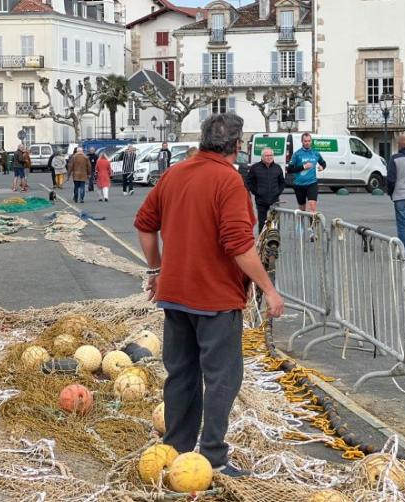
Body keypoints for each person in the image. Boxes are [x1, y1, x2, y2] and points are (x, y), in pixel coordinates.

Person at [135, 113, 285, 478]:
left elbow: (144, 225)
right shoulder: (229, 181)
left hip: (175, 294)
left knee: (181, 373)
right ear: (237, 145)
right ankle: (214, 455)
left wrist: (156, 271)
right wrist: (268, 288)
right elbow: (239, 245)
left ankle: (177, 447)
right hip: (215, 298)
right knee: (222, 377)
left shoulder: (175, 173)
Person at [245, 147, 285, 233]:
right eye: (267, 155)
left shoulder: (277, 168)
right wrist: (256, 192)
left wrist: (278, 192)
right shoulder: (255, 168)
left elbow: (282, 182)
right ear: (262, 156)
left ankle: (274, 244)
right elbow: (249, 182)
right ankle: (262, 243)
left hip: (274, 201)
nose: (269, 157)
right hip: (261, 201)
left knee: (275, 224)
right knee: (262, 224)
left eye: (271, 155)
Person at [286, 132, 326, 213]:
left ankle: (311, 226)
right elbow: (289, 170)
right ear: (302, 142)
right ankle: (302, 225)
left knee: (312, 207)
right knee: (302, 209)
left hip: (312, 183)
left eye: (309, 141)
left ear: (311, 141)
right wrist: (303, 167)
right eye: (305, 141)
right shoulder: (297, 154)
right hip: (299, 185)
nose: (307, 143)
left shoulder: (315, 153)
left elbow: (323, 163)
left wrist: (322, 167)